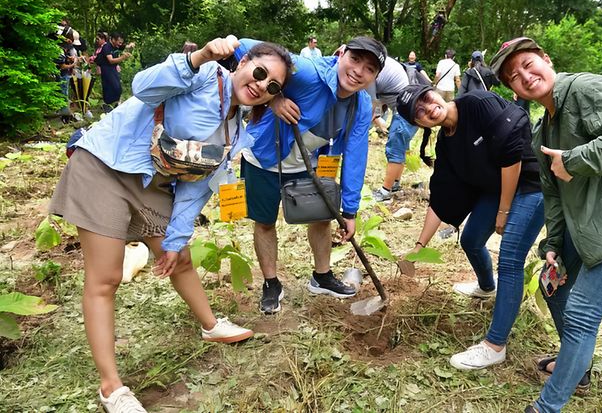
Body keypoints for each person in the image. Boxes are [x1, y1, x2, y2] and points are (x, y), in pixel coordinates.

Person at [49, 35, 293, 413]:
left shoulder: (239, 128)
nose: (261, 86)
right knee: (106, 278)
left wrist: (177, 239)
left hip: (153, 182)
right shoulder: (201, 74)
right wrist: (198, 56)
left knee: (178, 258)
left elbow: (197, 189)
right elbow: (142, 87)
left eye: (272, 86)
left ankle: (210, 326)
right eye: (259, 73)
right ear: (242, 65)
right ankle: (111, 388)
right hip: (106, 164)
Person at [490, 37, 602, 413]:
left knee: (581, 313)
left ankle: (547, 407)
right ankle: (579, 368)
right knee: (554, 288)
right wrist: (553, 243)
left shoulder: (584, 88)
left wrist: (575, 160)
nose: (524, 76)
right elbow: (553, 194)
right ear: (512, 90)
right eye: (513, 76)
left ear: (546, 59)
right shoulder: (543, 131)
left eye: (528, 64)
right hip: (587, 221)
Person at [395, 83, 545, 369]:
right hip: (497, 188)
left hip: (530, 185)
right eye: (419, 113)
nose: (428, 109)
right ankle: (487, 287)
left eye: (426, 99)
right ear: (417, 123)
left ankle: (495, 345)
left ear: (437, 92)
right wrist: (416, 249)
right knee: (471, 239)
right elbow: (441, 196)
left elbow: (512, 154)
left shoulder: (477, 103)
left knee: (511, 259)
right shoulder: (446, 142)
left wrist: (503, 211)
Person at [235, 36, 385, 314]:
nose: (358, 71)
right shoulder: (307, 71)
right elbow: (243, 46)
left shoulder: (361, 105)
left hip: (308, 165)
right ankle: (271, 283)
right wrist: (274, 98)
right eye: (355, 60)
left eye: (370, 68)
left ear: (374, 76)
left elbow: (355, 155)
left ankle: (322, 276)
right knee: (265, 222)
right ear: (340, 54)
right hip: (263, 159)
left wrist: (350, 211)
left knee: (321, 218)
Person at [368, 57, 419, 202]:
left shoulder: (370, 68)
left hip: (404, 112)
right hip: (412, 108)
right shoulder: (381, 61)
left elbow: (370, 102)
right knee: (400, 149)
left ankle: (385, 191)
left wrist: (376, 120)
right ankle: (395, 183)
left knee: (394, 150)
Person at [94, 32, 131, 112]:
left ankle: (115, 104)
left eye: (121, 42)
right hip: (106, 68)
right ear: (113, 40)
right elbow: (111, 60)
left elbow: (125, 47)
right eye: (119, 42)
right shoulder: (107, 47)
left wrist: (130, 46)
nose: (120, 44)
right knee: (110, 87)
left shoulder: (116, 46)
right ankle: (107, 104)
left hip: (113, 68)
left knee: (118, 88)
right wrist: (123, 57)